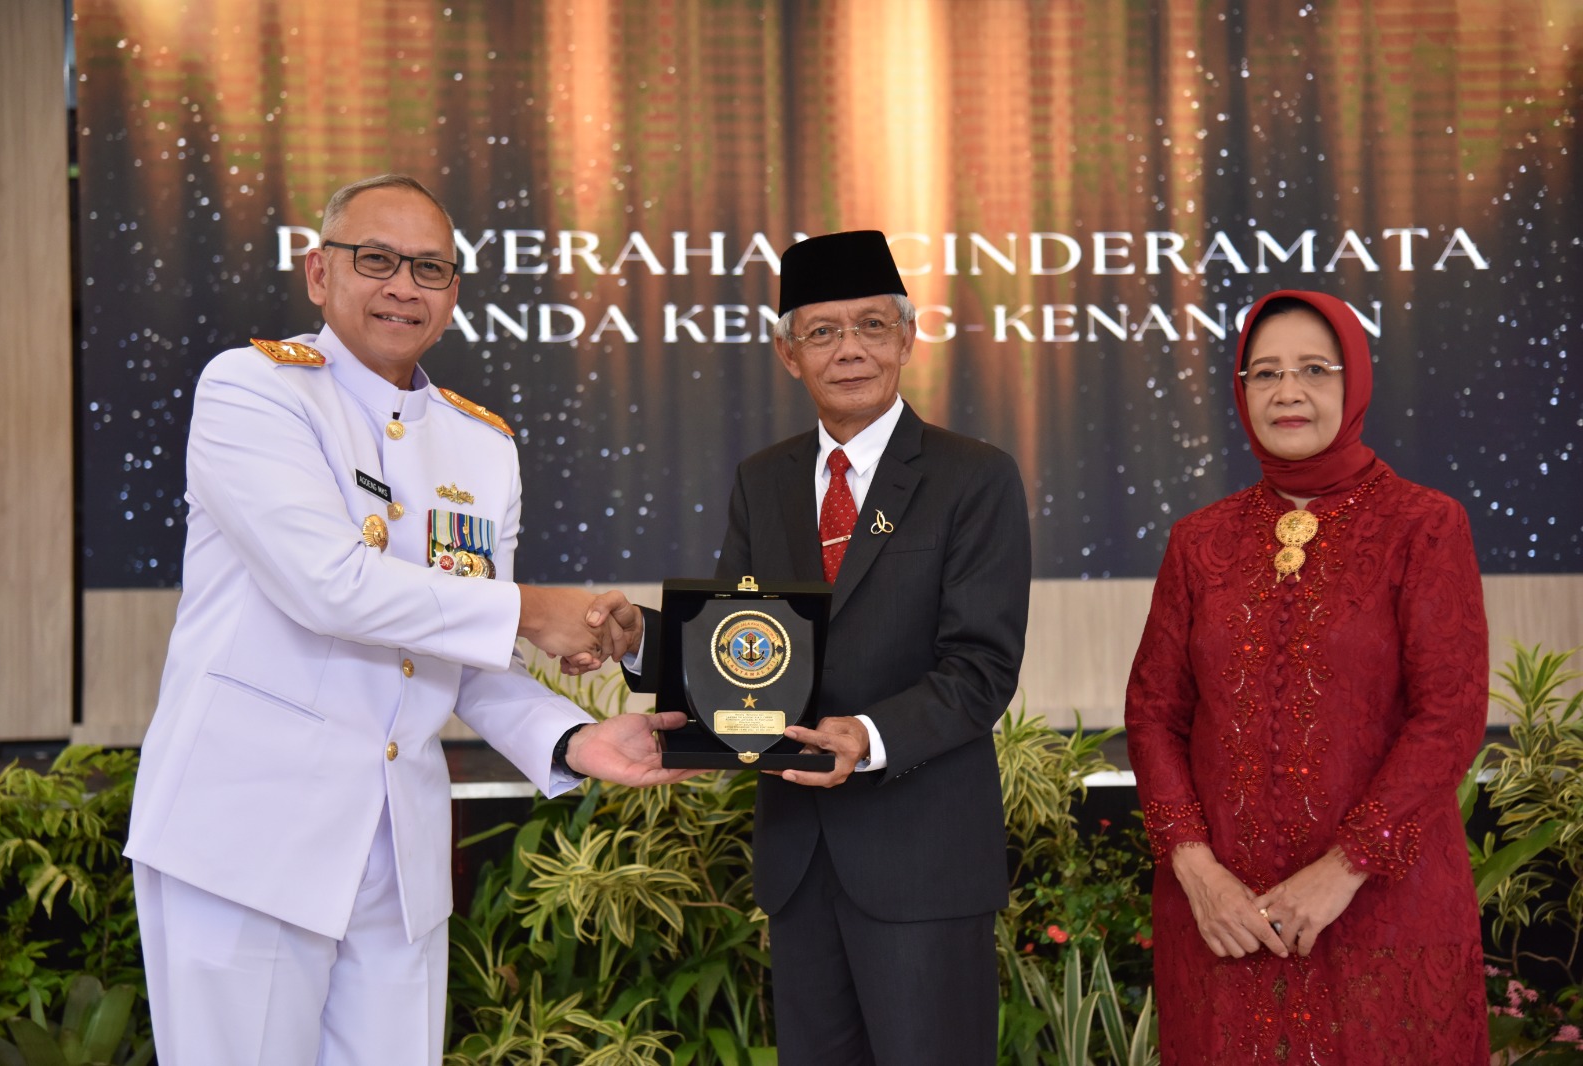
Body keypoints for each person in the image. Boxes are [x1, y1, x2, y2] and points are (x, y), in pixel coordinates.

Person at [123, 174, 692, 1066]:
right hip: (246, 839)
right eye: (375, 259)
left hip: (398, 858)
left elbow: (462, 652)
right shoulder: (253, 391)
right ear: (319, 273)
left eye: (428, 268)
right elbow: (329, 586)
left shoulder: (482, 446)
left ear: (454, 293)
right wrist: (531, 609)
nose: (402, 286)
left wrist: (571, 740)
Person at [591, 230, 1032, 1065]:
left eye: (871, 325)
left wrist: (866, 737)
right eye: (823, 332)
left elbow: (982, 668)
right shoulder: (766, 479)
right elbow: (737, 637)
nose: (851, 349)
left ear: (907, 337)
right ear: (788, 354)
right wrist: (642, 641)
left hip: (922, 862)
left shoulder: (973, 476)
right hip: (799, 861)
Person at [1125, 290, 1490, 1063]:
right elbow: (1155, 711)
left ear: (1354, 382)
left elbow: (1449, 715)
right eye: (1265, 373)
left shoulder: (1424, 526)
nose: (1288, 392)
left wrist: (1345, 868)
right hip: (1225, 922)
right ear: (1242, 391)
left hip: (1382, 909)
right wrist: (1196, 870)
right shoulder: (1199, 542)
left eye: (1314, 370)